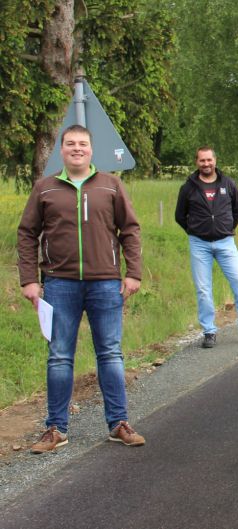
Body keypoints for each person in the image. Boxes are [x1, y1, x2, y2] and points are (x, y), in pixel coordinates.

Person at [17, 124, 146, 453]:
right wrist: (30, 279)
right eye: (71, 143)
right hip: (59, 284)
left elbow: (130, 229)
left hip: (105, 283)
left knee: (111, 354)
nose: (77, 148)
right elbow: (27, 234)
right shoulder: (44, 189)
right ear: (61, 150)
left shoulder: (111, 185)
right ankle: (56, 428)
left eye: (83, 144)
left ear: (91, 150)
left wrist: (133, 273)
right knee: (59, 357)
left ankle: (119, 423)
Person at [175, 146, 238, 348]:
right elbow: (180, 216)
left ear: (215, 160)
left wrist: (224, 228)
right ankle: (209, 331)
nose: (206, 164)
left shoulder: (228, 184)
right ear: (196, 162)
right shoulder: (188, 188)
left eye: (209, 160)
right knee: (203, 289)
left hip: (226, 242)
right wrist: (197, 230)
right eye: (202, 161)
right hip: (199, 244)